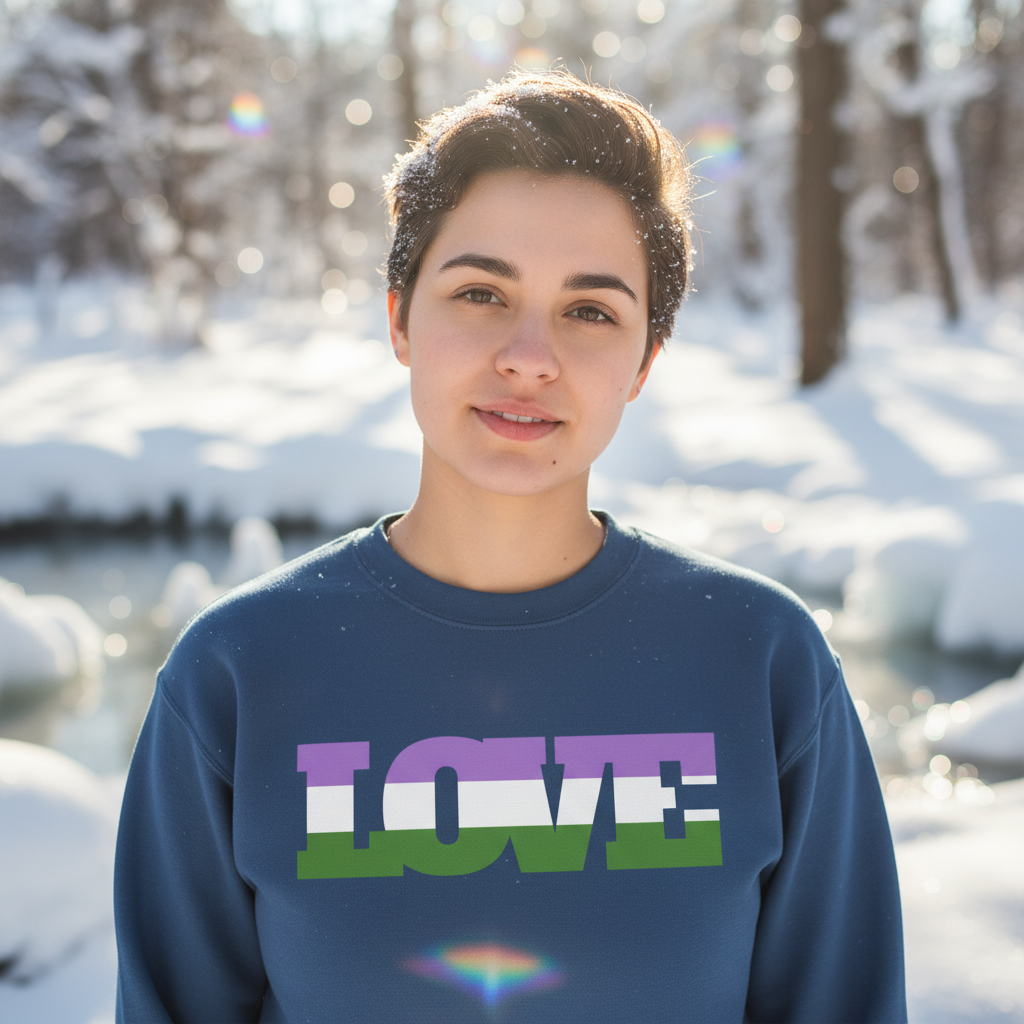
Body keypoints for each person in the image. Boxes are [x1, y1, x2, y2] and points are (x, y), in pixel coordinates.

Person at [114, 69, 906, 1023]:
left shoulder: (761, 661)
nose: (530, 357)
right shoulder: (238, 672)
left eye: (590, 310)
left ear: (644, 361)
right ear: (401, 317)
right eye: (482, 292)